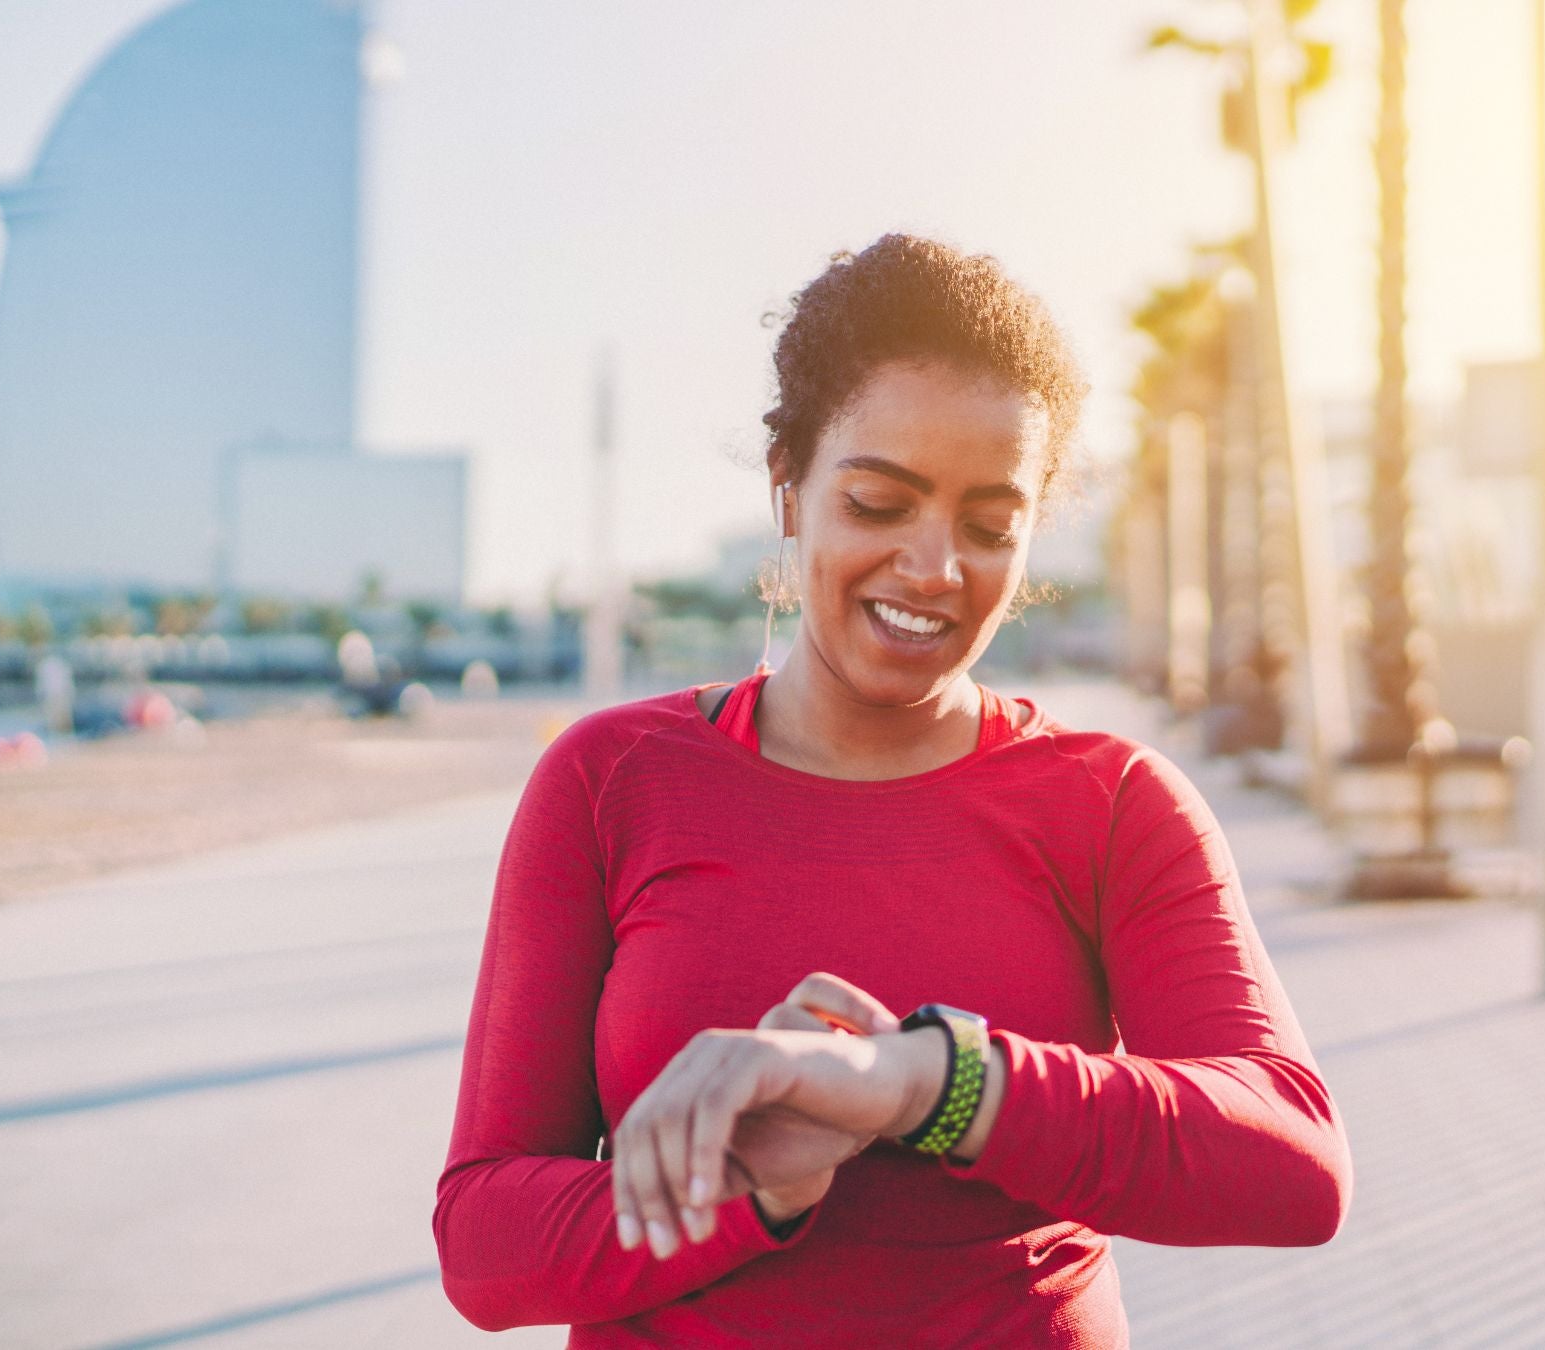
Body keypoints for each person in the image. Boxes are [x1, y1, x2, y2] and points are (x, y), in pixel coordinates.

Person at [435, 234, 1350, 1347]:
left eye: (987, 527)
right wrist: (746, 1191)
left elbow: (1292, 1166)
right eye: (879, 502)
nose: (934, 569)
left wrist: (928, 1082)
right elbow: (485, 1249)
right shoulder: (611, 780)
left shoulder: (1114, 804)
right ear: (790, 487)